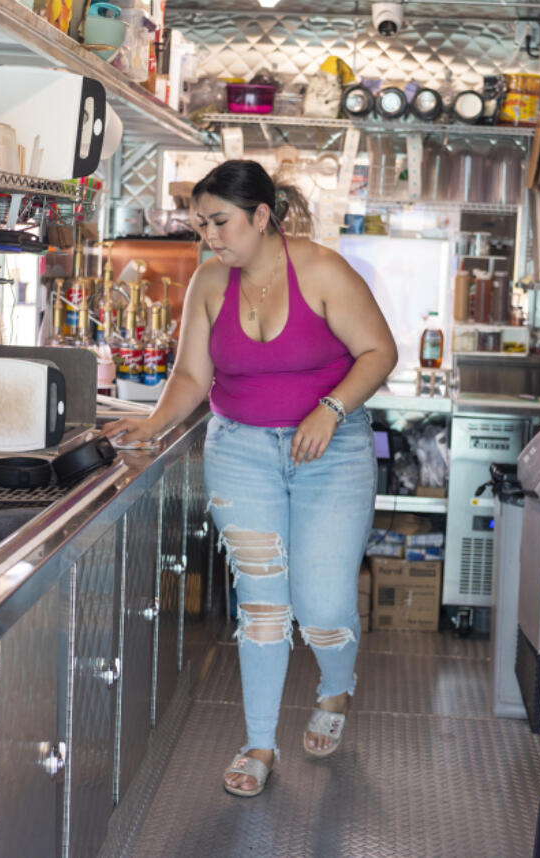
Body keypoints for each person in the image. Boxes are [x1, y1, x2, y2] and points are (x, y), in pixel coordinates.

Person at [102, 159, 397, 798]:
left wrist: (331, 407)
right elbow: (190, 378)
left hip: (331, 450)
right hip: (239, 451)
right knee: (263, 604)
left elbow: (380, 351)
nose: (209, 236)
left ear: (261, 217)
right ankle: (260, 743)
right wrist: (154, 425)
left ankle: (336, 690)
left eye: (219, 222)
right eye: (200, 223)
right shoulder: (210, 283)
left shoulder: (320, 270)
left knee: (320, 605)